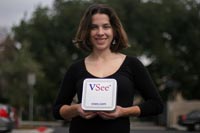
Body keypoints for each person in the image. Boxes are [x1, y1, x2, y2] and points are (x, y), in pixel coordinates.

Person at [53, 3, 163, 133]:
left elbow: (156, 105)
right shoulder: (75, 68)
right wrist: (76, 109)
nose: (100, 32)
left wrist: (123, 112)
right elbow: (57, 110)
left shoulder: (132, 65)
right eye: (94, 27)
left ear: (114, 31)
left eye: (106, 27)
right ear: (87, 32)